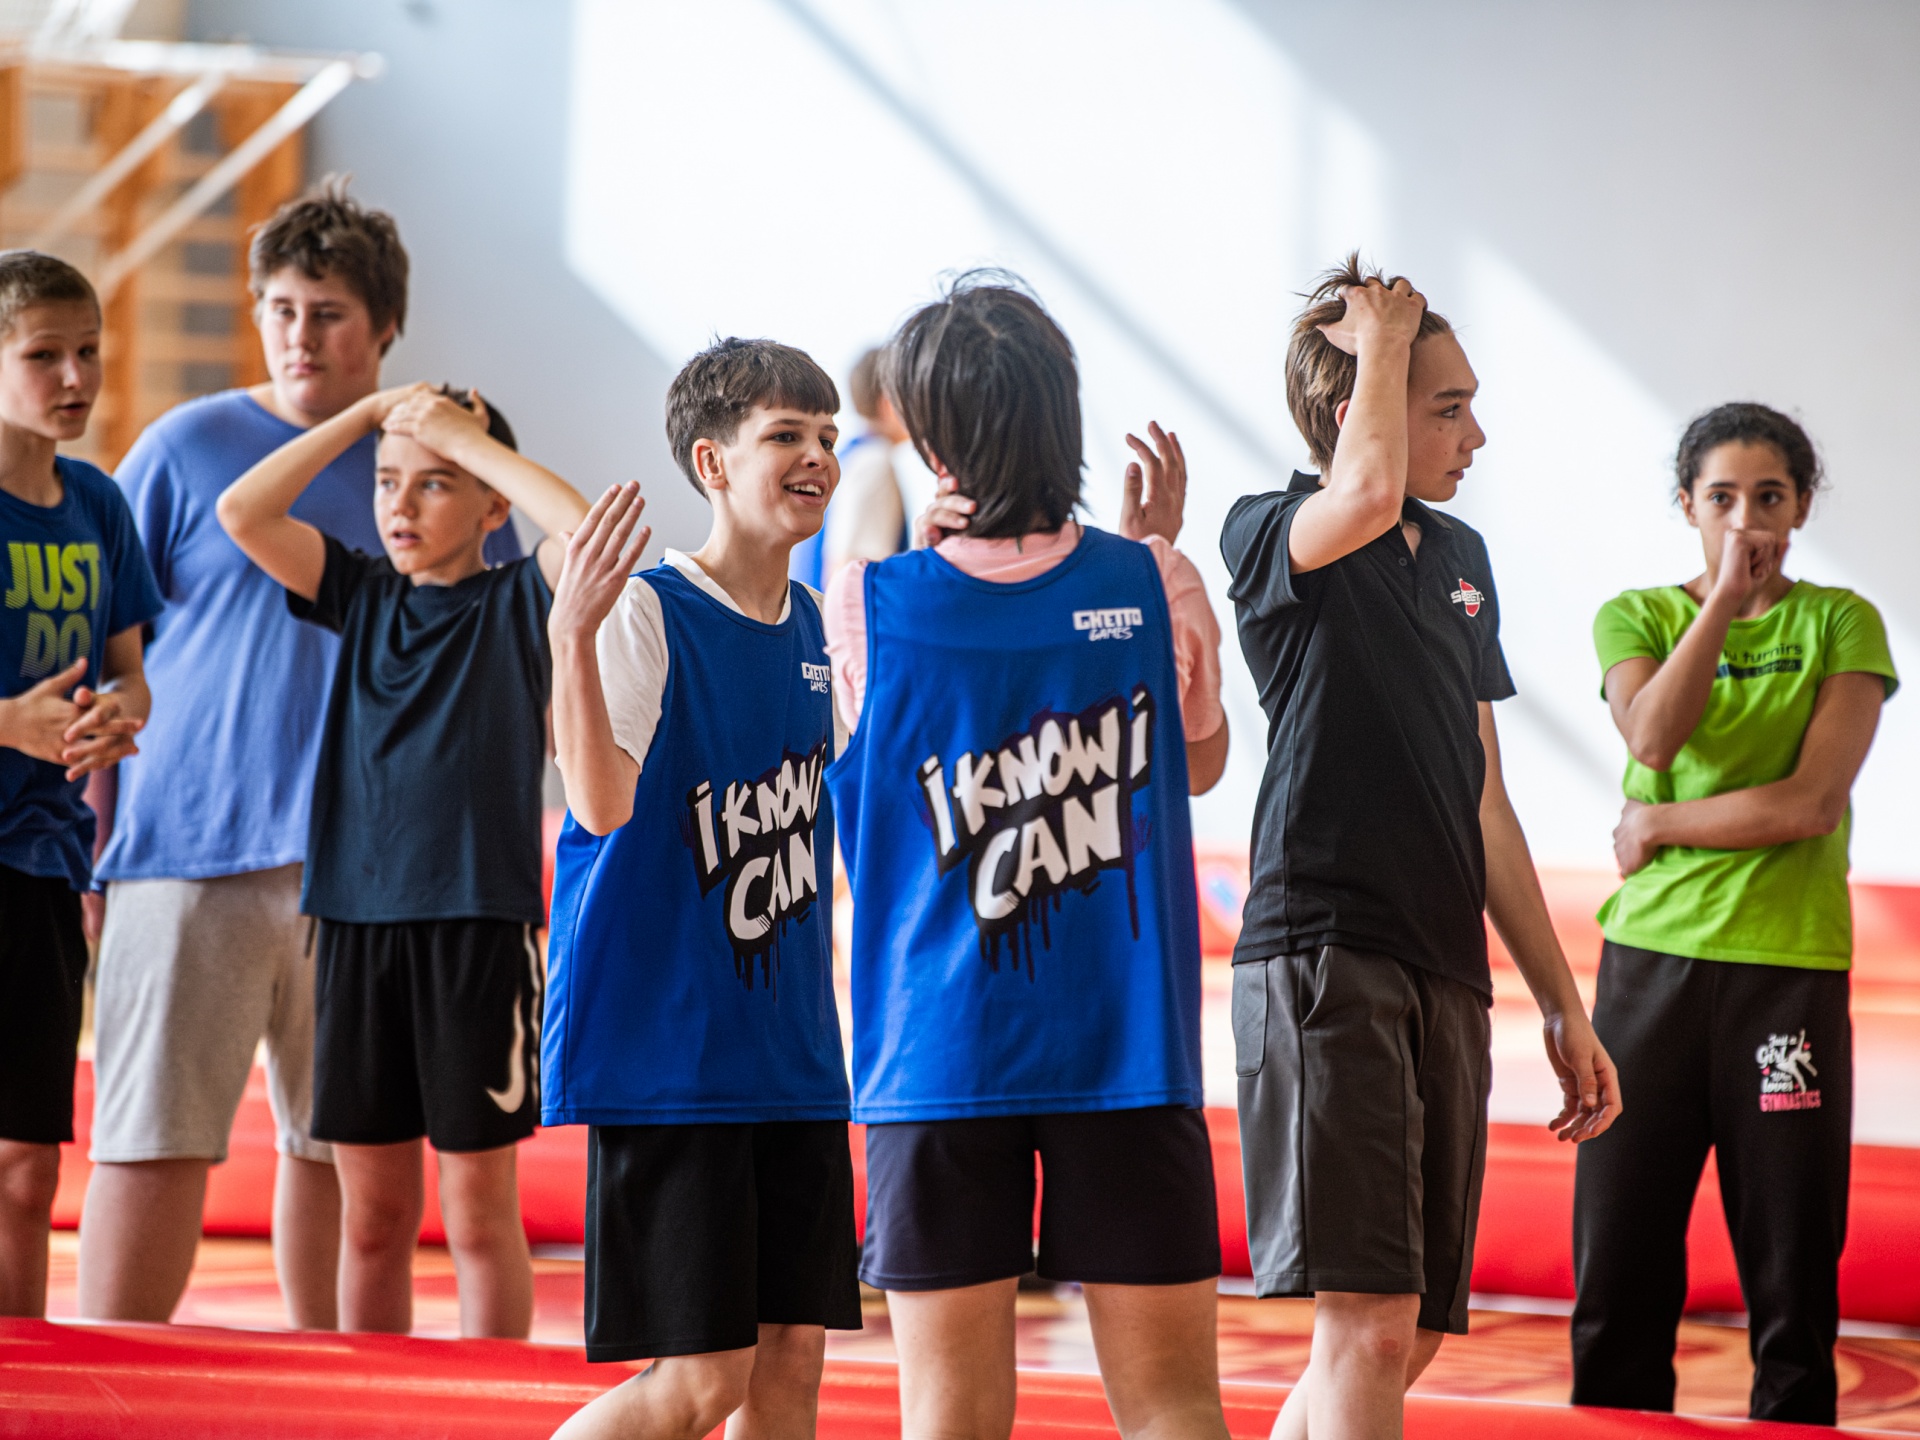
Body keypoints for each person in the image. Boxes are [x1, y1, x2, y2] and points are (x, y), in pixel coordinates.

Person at [81, 182, 522, 1327]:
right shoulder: (185, 448)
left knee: (334, 1153)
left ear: (384, 327)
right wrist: (91, 841)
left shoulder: (431, 468)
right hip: (184, 848)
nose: (299, 335)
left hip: (366, 880)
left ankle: (323, 1383)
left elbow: (498, 643)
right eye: (280, 309)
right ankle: (109, 1378)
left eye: (327, 314)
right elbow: (103, 652)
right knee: (150, 1137)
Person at [824, 274, 1232, 1440]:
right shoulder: (1152, 580)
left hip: (936, 1053)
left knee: (949, 1418)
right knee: (1172, 1411)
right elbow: (1199, 764)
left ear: (931, 439)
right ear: (1065, 412)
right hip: (1125, 1046)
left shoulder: (864, 604)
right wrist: (1152, 556)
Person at [1218, 255, 1620, 1440]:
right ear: (1365, 410)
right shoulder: (1271, 531)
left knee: (1417, 1328)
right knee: (1371, 1323)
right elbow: (1360, 493)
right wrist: (1381, 334)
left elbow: (1485, 796)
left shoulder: (1460, 562)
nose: (1477, 436)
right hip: (1324, 952)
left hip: (1444, 964)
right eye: (1450, 408)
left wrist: (1562, 1004)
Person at [216, 381, 582, 1336]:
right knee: (373, 1217)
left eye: (435, 483)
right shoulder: (363, 593)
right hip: (354, 926)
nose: (400, 505)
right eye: (387, 482)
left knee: (476, 1214)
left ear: (492, 507)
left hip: (477, 929)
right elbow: (242, 510)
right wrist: (368, 413)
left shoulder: (519, 599)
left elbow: (586, 534)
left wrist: (468, 439)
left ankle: (494, 1400)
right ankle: (371, 1398)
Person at [541, 338, 858, 1440]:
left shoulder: (815, 626)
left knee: (791, 1372)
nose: (817, 455)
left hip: (792, 1060)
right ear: (713, 463)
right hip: (677, 1065)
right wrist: (570, 637)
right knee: (699, 1382)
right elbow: (598, 805)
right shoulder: (649, 612)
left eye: (827, 436)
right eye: (787, 435)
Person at [1571, 403, 1893, 1426]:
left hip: (1786, 969)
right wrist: (1720, 601)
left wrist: (1658, 826)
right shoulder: (1637, 616)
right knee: (1619, 1264)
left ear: (1801, 508)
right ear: (1688, 506)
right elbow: (1653, 739)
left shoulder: (1842, 622)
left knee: (1792, 1272)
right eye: (1722, 498)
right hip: (1648, 970)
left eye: (1769, 497)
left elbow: (1810, 803)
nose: (1747, 520)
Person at [0, 251, 161, 1318]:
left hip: (45, 859)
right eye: (42, 355)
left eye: (89, 352)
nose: (74, 377)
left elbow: (131, 672)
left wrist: (120, 714)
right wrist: (8, 721)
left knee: (27, 1167)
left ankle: (21, 1377)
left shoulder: (97, 503)